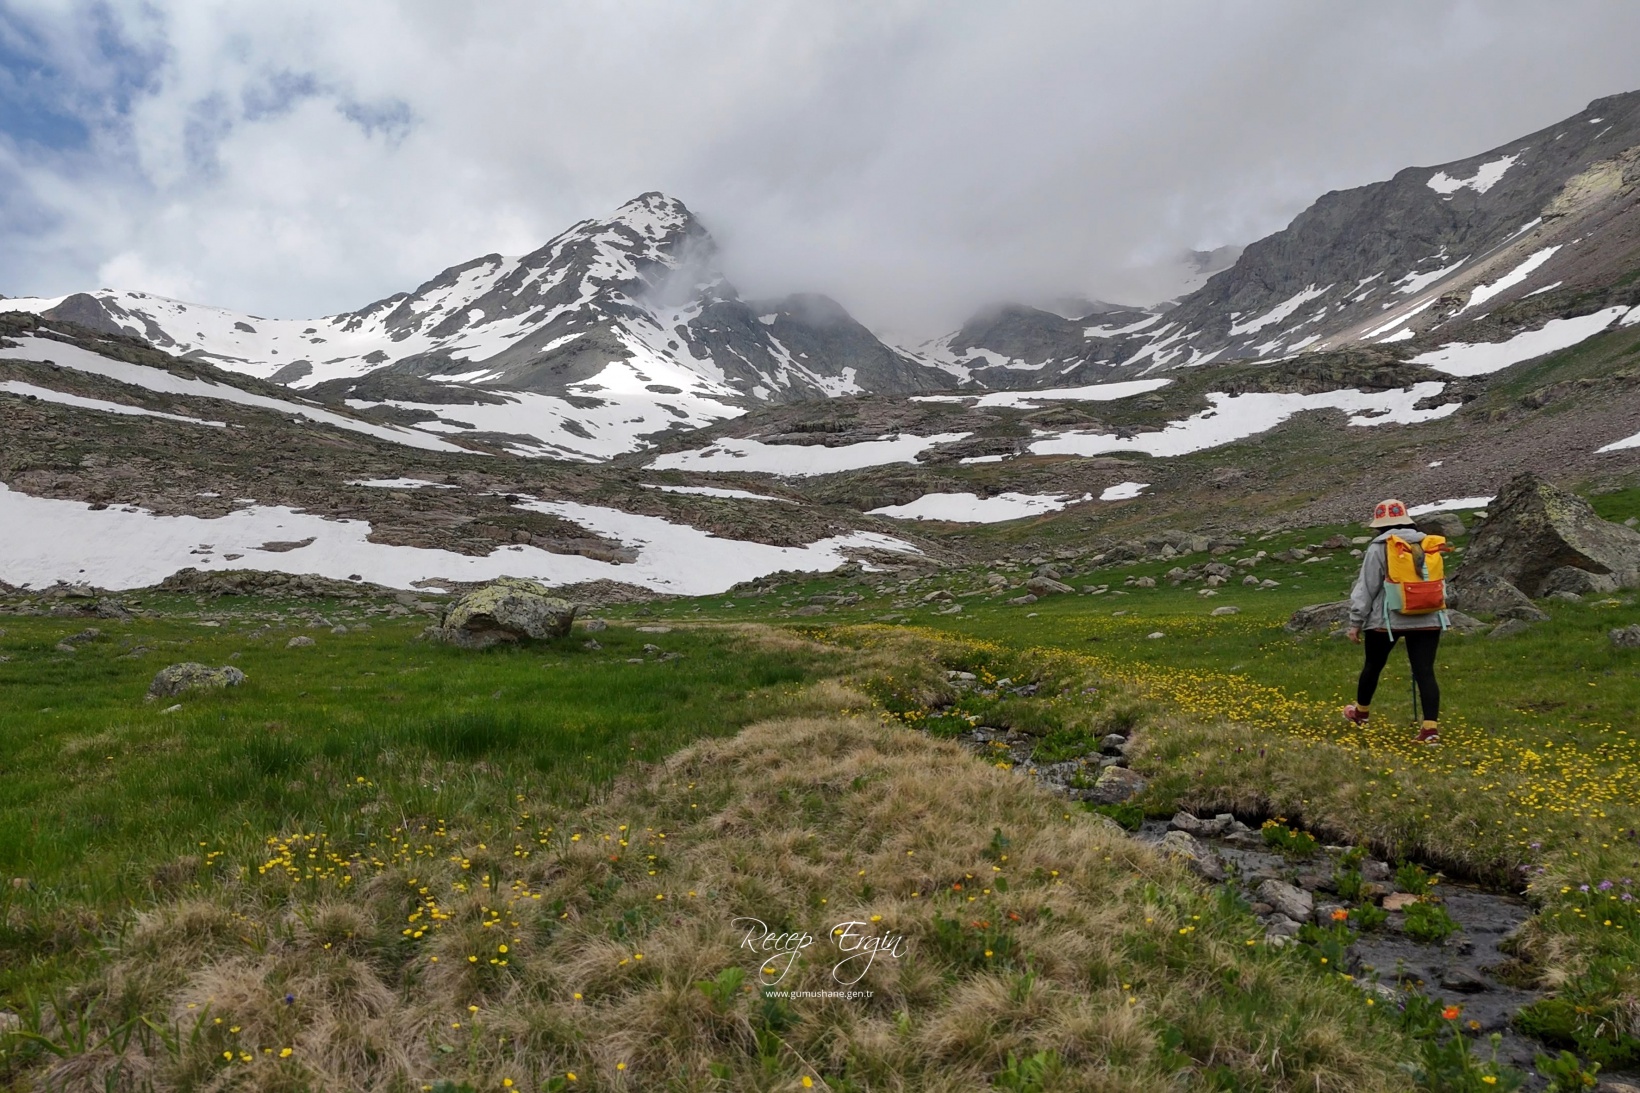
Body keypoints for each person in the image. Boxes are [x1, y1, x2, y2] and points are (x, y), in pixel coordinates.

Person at [1342, 498, 1445, 744]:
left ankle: (1361, 713)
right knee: (1425, 672)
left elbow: (1367, 586)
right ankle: (1430, 730)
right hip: (1427, 616)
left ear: (1380, 525)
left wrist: (1356, 622)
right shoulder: (1427, 542)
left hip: (1385, 620)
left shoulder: (1379, 547)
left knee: (1373, 666)